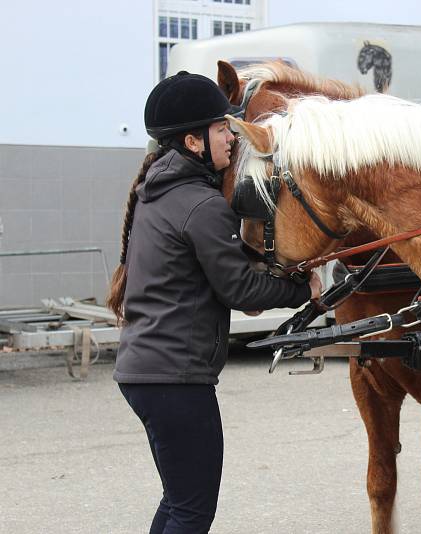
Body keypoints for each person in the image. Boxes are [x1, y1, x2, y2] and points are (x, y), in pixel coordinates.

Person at [107, 71, 321, 534]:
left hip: (147, 374)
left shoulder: (157, 194)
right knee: (192, 509)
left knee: (179, 501)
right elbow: (241, 291)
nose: (232, 136)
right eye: (223, 128)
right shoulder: (201, 205)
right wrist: (303, 289)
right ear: (194, 141)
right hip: (175, 380)